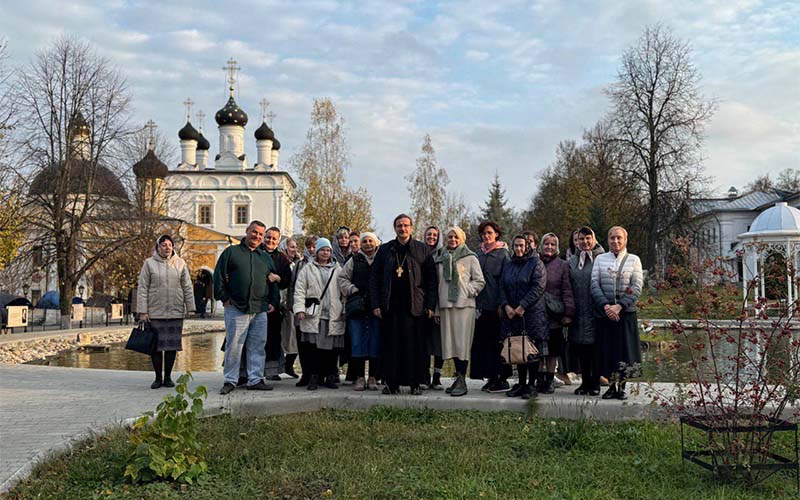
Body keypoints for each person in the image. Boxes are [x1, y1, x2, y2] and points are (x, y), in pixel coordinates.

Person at [370, 214, 437, 395]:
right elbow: (374, 278)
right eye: (399, 225)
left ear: (412, 228)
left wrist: (430, 305)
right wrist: (375, 304)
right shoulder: (385, 250)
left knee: (414, 347)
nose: (403, 228)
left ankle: (415, 383)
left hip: (415, 307)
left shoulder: (422, 250)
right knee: (392, 346)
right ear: (395, 228)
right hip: (390, 306)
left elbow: (432, 280)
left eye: (406, 225)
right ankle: (392, 383)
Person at [214, 221, 280, 395]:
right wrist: (224, 298)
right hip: (237, 307)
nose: (257, 236)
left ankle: (255, 379)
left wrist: (273, 301)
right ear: (247, 231)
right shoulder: (231, 252)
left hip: (260, 309)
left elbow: (272, 280)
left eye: (260, 234)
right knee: (234, 346)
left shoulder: (264, 257)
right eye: (254, 232)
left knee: (258, 345)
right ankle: (230, 380)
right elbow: (218, 276)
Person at [136, 234, 195, 389]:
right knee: (156, 347)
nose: (167, 247)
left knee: (171, 346)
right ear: (158, 247)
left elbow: (187, 286)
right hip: (155, 311)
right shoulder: (149, 264)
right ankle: (157, 378)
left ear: (173, 247)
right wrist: (143, 311)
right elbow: (142, 288)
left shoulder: (181, 263)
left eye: (169, 244)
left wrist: (191, 307)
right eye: (163, 245)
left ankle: (168, 377)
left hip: (175, 311)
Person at [591, 226, 643, 400]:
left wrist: (619, 306)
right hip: (605, 314)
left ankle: (622, 387)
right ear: (608, 239)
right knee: (608, 351)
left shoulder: (634, 260)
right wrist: (606, 306)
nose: (615, 241)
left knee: (625, 351)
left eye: (619, 238)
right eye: (612, 238)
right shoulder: (600, 259)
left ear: (625, 239)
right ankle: (611, 386)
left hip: (625, 313)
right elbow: (594, 285)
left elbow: (636, 287)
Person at [434, 227, 485, 397]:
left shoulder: (470, 257)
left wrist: (467, 290)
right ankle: (458, 377)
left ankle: (462, 378)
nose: (452, 239)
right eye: (449, 236)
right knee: (451, 344)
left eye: (456, 236)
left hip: (464, 306)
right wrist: (436, 309)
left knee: (462, 343)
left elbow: (480, 281)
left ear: (462, 238)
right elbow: (436, 284)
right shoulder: (440, 257)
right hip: (445, 305)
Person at [499, 235, 547, 399]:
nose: (518, 249)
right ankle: (521, 383)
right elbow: (502, 287)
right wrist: (506, 306)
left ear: (527, 247)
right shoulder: (509, 264)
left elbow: (538, 287)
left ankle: (531, 385)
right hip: (512, 315)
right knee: (517, 349)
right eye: (516, 246)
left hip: (531, 315)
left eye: (521, 245)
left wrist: (522, 306)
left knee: (531, 351)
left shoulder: (536, 263)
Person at [293, 238, 345, 390]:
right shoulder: (308, 269)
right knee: (313, 348)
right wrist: (299, 309)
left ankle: (329, 377)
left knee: (331, 350)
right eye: (322, 250)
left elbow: (343, 293)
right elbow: (300, 290)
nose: (325, 253)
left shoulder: (337, 269)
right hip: (314, 315)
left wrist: (344, 310)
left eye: (328, 250)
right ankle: (314, 377)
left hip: (332, 315)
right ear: (317, 252)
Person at [470, 221, 512, 393]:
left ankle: (501, 378)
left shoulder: (503, 255)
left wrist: (502, 303)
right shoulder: (478, 254)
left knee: (497, 344)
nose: (486, 236)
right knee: (483, 344)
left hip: (496, 306)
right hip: (481, 306)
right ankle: (490, 377)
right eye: (483, 233)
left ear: (496, 234)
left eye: (489, 233)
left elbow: (505, 281)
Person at [338, 232, 381, 391]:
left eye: (371, 241)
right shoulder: (354, 260)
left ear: (376, 243)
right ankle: (360, 377)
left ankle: (373, 377)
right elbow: (342, 278)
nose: (368, 244)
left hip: (376, 308)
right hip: (357, 307)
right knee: (357, 342)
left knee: (375, 341)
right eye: (365, 241)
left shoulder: (381, 259)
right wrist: (352, 289)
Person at [568, 226, 604, 396]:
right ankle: (585, 382)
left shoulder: (602, 259)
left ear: (594, 239)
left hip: (595, 311)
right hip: (577, 311)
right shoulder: (572, 261)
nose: (585, 242)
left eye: (588, 238)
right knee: (581, 349)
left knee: (595, 349)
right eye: (581, 239)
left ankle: (595, 382)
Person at [538, 233, 575, 393]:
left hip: (554, 312)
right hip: (537, 313)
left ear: (557, 247)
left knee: (552, 350)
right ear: (541, 245)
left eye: (553, 244)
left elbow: (567, 289)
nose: (549, 247)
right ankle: (538, 378)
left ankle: (549, 379)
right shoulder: (535, 262)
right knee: (538, 348)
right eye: (546, 243)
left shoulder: (562, 265)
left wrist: (568, 313)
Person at [262, 226, 294, 381]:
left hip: (274, 305)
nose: (270, 241)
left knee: (273, 339)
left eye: (274, 238)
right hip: (254, 302)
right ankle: (246, 372)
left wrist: (278, 278)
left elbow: (287, 280)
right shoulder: (256, 252)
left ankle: (272, 370)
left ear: (278, 240)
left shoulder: (282, 259)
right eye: (268, 237)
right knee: (251, 340)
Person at [291, 236, 317, 387]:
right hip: (302, 310)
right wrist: (294, 307)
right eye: (309, 247)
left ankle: (316, 374)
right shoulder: (300, 264)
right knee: (303, 344)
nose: (312, 250)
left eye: (314, 246)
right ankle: (306, 374)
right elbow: (293, 287)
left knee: (315, 344)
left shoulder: (327, 263)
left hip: (317, 311)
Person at [422, 225, 444, 389]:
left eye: (435, 235)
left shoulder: (444, 255)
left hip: (439, 304)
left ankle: (437, 375)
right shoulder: (419, 253)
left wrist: (436, 307)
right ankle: (425, 375)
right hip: (422, 304)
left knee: (438, 343)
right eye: (429, 234)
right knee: (424, 343)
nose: (431, 237)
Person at [278, 237, 300, 378]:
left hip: (292, 304)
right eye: (292, 247)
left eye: (295, 247)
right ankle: (276, 368)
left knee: (295, 337)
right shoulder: (280, 262)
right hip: (282, 303)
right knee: (280, 338)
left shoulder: (295, 263)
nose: (294, 250)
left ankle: (288, 364)